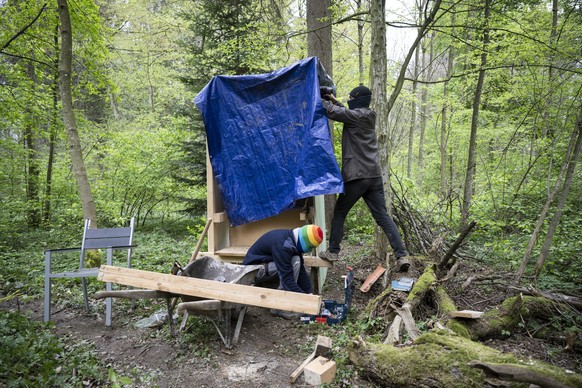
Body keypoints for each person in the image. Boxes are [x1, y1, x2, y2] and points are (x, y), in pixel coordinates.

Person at [319, 85, 411, 272]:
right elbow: (345, 110)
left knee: (339, 213)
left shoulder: (355, 117)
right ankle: (401, 255)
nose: (350, 100)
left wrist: (317, 95)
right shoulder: (369, 115)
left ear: (358, 100)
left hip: (357, 175)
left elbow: (331, 111)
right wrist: (333, 98)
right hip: (374, 176)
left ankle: (333, 251)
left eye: (352, 98)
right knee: (383, 217)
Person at [243, 224, 323, 318]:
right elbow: (287, 281)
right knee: (294, 261)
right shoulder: (284, 245)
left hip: (266, 265)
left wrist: (310, 294)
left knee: (296, 260)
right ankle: (278, 306)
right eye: (310, 247)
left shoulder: (293, 240)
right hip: (251, 272)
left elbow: (301, 271)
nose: (309, 250)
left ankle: (282, 296)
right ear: (305, 242)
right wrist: (305, 300)